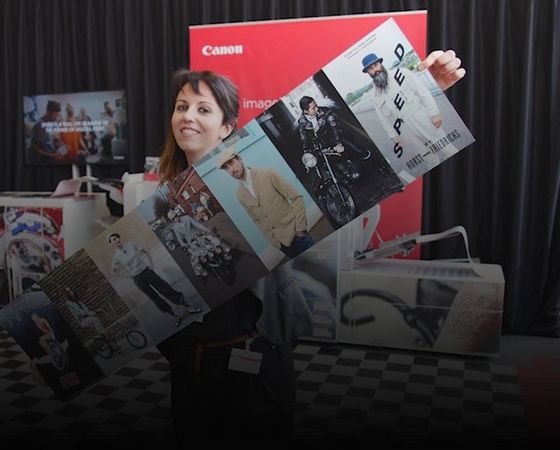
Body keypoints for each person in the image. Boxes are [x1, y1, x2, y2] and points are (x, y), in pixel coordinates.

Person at [154, 52, 465, 445]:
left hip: (255, 357)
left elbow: (381, 159)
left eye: (203, 108)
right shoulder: (161, 197)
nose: (188, 116)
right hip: (191, 367)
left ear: (226, 126)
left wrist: (425, 88)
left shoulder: (264, 167)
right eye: (181, 107)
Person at [362, 50, 459, 180]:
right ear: (368, 72)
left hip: (421, 117)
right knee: (427, 156)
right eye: (371, 69)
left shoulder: (402, 73)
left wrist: (434, 113)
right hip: (406, 128)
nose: (375, 70)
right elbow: (383, 118)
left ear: (381, 64)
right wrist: (394, 136)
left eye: (376, 65)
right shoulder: (375, 94)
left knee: (446, 147)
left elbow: (423, 92)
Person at [217, 149, 315, 259]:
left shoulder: (268, 174)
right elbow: (257, 220)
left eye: (231, 163)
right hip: (282, 245)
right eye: (226, 168)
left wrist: (300, 229)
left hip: (298, 236)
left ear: (239, 159)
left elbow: (297, 198)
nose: (231, 170)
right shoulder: (240, 194)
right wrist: (274, 242)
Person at [109, 232, 202, 327]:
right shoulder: (116, 257)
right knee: (154, 298)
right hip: (138, 279)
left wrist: (151, 264)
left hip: (147, 271)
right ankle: (174, 316)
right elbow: (114, 271)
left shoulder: (131, 244)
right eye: (113, 240)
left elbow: (145, 251)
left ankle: (188, 307)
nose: (116, 240)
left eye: (116, 238)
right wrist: (129, 276)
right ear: (111, 243)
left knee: (165, 288)